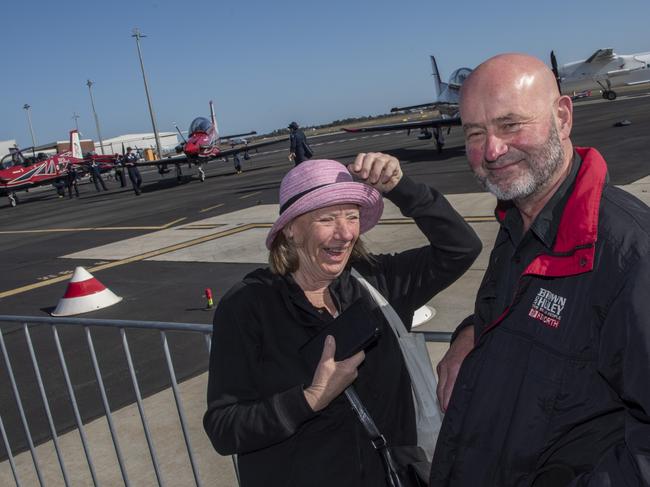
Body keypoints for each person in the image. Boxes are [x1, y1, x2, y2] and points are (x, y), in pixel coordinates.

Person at [431, 53, 650, 486]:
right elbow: (532, 314)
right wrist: (468, 335)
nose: (492, 151)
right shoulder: (519, 219)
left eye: (511, 125)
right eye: (476, 132)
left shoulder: (629, 254)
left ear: (563, 117)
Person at [203, 155, 481, 486]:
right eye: (327, 218)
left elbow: (461, 247)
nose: (345, 233)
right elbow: (224, 426)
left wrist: (400, 188)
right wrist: (309, 399)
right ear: (291, 229)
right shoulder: (249, 305)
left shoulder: (376, 281)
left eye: (352, 216)